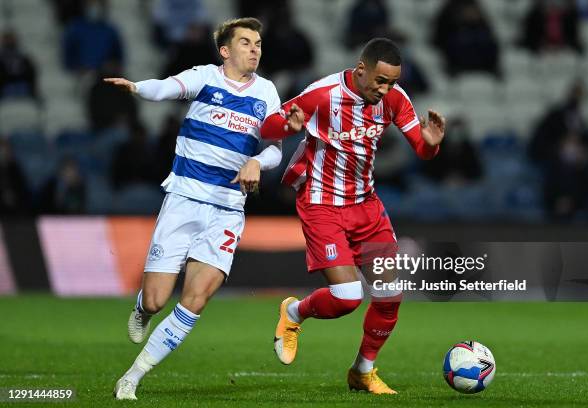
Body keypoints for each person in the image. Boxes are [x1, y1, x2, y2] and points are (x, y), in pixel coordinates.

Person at [104, 17, 282, 400]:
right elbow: (166, 88)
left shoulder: (267, 92)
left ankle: (132, 377)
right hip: (184, 199)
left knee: (196, 299)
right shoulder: (206, 77)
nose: (255, 49)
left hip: (228, 209)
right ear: (225, 50)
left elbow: (274, 148)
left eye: (258, 44)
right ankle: (142, 308)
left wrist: (256, 162)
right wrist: (137, 87)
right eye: (247, 42)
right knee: (155, 299)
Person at [260, 38, 445, 394]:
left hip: (365, 205)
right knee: (346, 297)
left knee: (390, 294)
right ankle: (294, 313)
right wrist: (289, 126)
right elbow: (266, 127)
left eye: (391, 82)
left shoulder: (393, 99)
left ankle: (363, 370)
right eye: (380, 80)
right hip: (321, 203)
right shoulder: (322, 94)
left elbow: (421, 150)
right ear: (361, 69)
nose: (385, 89)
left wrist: (431, 145)